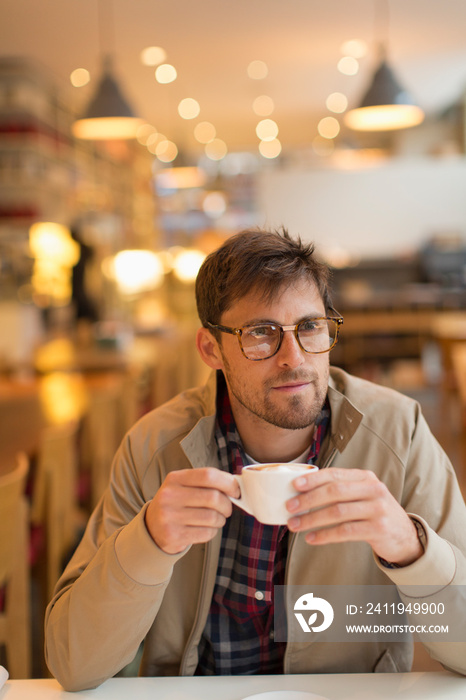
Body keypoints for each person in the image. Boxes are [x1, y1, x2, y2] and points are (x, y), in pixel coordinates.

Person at [45, 228, 466, 691]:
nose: (294, 358)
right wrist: (148, 541)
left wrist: (411, 548)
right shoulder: (155, 448)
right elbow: (74, 663)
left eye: (310, 327)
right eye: (261, 333)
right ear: (212, 350)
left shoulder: (398, 434)